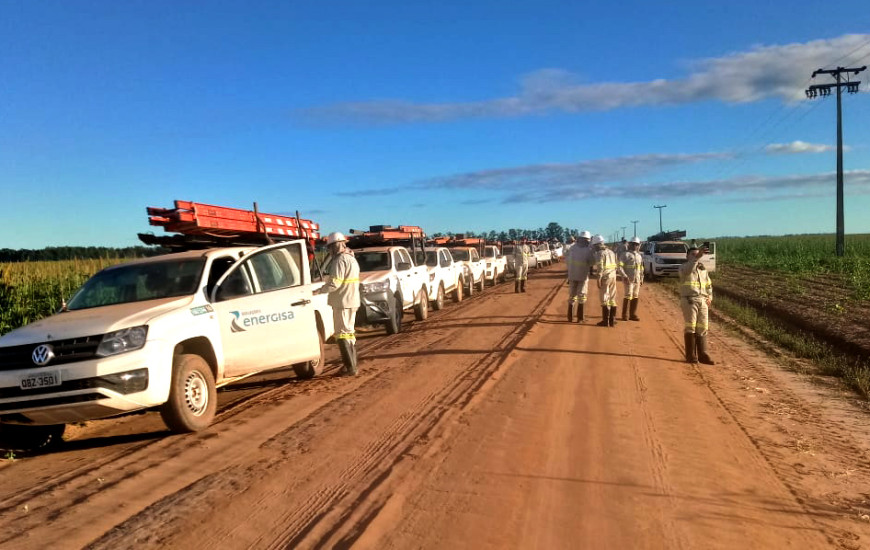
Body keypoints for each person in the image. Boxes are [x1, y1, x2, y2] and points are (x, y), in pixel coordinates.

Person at [316, 231, 361, 375]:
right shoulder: (351, 258)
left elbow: (335, 282)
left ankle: (350, 368)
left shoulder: (340, 260)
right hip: (352, 300)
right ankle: (352, 365)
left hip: (342, 301)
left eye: (330, 247)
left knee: (341, 334)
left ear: (335, 246)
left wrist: (319, 291)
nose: (329, 250)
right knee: (348, 333)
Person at [679, 244, 715, 365]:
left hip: (703, 301)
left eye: (697, 254)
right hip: (689, 300)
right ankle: (690, 355)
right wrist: (696, 258)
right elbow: (689, 269)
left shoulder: (702, 269)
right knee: (691, 327)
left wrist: (710, 296)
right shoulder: (683, 267)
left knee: (703, 327)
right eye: (692, 254)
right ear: (687, 256)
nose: (696, 256)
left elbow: (708, 285)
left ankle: (703, 355)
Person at [592, 234, 625, 327]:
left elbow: (600, 267)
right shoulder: (611, 252)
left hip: (605, 277)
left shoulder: (600, 253)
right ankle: (612, 320)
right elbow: (616, 265)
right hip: (613, 276)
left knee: (604, 298)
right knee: (612, 297)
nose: (594, 247)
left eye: (594, 245)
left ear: (597, 244)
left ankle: (605, 321)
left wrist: (598, 278)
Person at [565, 231, 593, 322]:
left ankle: (570, 317)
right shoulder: (588, 250)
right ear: (586, 240)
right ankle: (580, 318)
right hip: (583, 276)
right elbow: (592, 262)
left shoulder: (572, 248)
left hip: (572, 275)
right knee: (582, 295)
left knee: (572, 295)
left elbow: (567, 259)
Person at [619, 236, 644, 321]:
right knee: (628, 295)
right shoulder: (625, 254)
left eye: (636, 244)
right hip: (628, 279)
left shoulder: (639, 256)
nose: (635, 246)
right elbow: (620, 267)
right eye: (633, 244)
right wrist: (624, 276)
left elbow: (641, 268)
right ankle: (624, 314)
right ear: (629, 244)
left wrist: (641, 278)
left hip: (637, 279)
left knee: (635, 296)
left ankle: (632, 314)